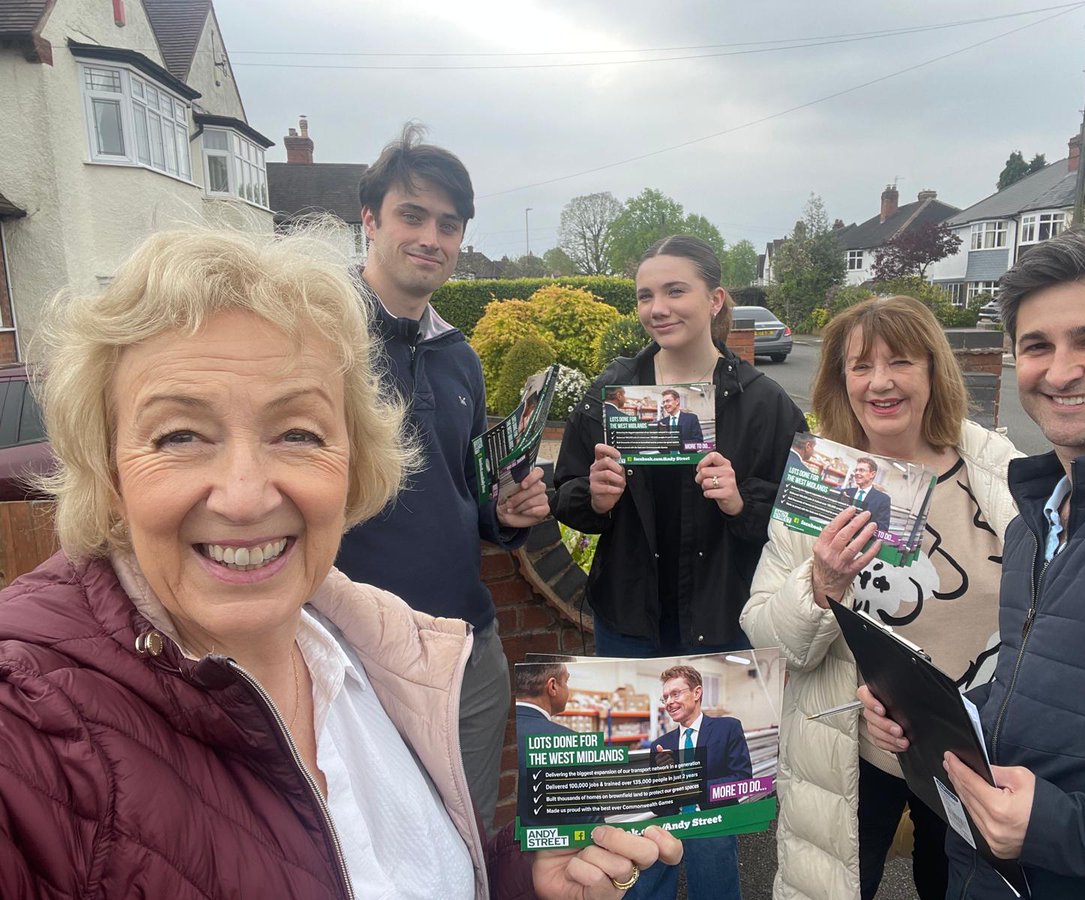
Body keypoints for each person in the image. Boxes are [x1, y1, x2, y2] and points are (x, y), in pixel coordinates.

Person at [0, 229, 682, 899]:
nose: (244, 497)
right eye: (180, 435)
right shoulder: (32, 725)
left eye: (298, 432)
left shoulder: (379, 661)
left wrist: (523, 883)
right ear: (108, 468)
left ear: (354, 463)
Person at [860, 229, 1085, 899]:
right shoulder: (1034, 521)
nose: (1060, 370)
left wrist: (1057, 828)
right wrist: (931, 718)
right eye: (1038, 346)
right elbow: (1040, 696)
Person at [742, 295, 1021, 900]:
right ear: (840, 381)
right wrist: (820, 585)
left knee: (956, 887)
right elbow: (766, 635)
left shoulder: (996, 471)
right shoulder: (823, 481)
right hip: (854, 753)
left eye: (900, 362)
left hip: (976, 756)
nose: (880, 383)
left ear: (932, 372)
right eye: (861, 366)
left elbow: (1051, 610)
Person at [552, 234, 805, 900]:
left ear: (715, 299)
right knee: (635, 803)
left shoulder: (764, 402)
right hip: (629, 623)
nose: (657, 308)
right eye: (645, 295)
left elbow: (799, 518)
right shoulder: (612, 391)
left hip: (719, 624)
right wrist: (596, 499)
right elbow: (568, 493)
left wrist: (739, 502)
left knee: (714, 812)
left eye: (675, 291)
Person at [333, 124, 549, 835]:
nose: (431, 237)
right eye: (412, 215)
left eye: (448, 224)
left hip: (467, 647)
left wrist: (504, 514)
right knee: (369, 852)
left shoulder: (460, 356)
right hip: (353, 657)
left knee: (467, 844)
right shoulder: (316, 340)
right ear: (370, 220)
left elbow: (467, 492)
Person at [652, 665, 751, 811]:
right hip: (678, 827)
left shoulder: (727, 729)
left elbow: (743, 781)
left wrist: (695, 789)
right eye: (665, 697)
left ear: (696, 693)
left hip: (719, 823)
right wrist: (665, 783)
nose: (668, 702)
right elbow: (655, 804)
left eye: (675, 694)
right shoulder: (660, 745)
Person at [514, 662, 583, 827]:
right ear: (552, 686)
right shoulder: (568, 741)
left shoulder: (497, 728)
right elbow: (584, 825)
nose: (568, 689)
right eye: (566, 682)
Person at [836, 456, 893, 534]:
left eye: (861, 470)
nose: (857, 473)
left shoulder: (883, 499)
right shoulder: (846, 493)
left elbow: (882, 528)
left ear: (872, 474)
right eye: (856, 470)